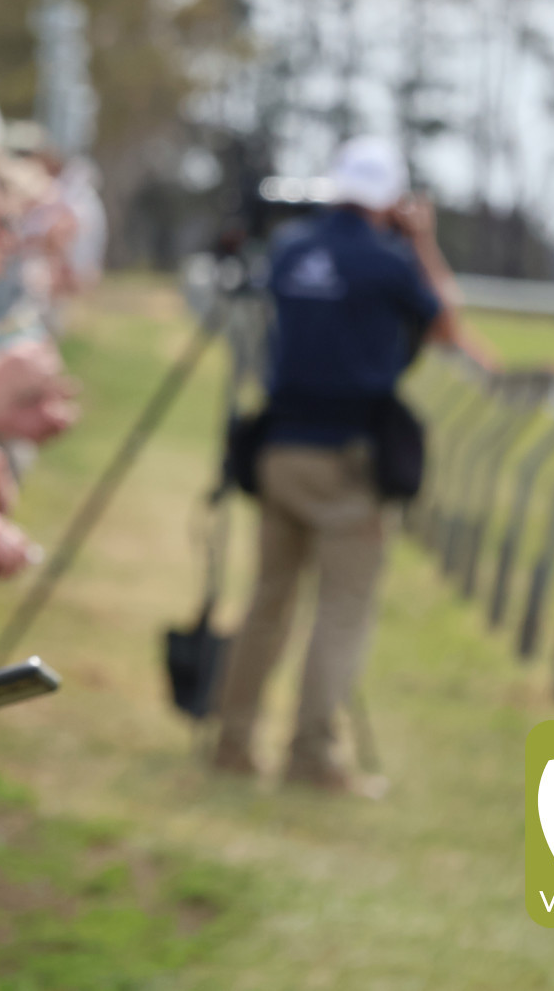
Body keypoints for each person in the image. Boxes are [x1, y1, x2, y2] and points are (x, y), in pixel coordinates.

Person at [211, 136, 490, 794]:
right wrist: (421, 240)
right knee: (341, 610)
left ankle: (232, 739)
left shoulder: (291, 248)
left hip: (280, 446)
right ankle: (311, 756)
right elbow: (447, 323)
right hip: (349, 457)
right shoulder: (389, 262)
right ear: (392, 199)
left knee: (268, 601)